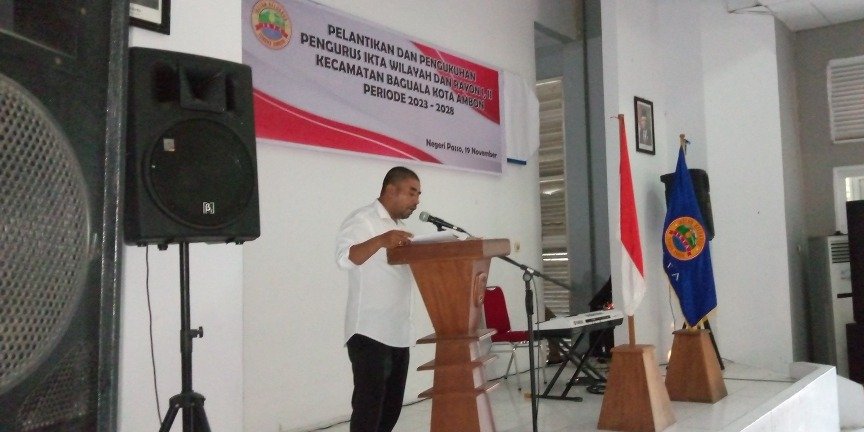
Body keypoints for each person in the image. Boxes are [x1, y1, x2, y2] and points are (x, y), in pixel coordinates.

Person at [335, 166, 421, 432]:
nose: (417, 201)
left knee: (391, 411)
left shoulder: (401, 229)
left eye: (418, 195)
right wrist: (381, 240)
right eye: (412, 193)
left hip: (398, 333)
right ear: (391, 190)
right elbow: (345, 258)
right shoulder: (363, 220)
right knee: (368, 411)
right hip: (370, 332)